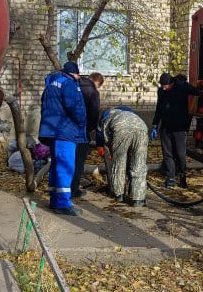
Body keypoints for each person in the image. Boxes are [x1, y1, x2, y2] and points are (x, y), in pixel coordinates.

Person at [38, 61, 87, 216]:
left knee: (56, 165)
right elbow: (75, 107)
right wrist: (81, 123)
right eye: (78, 75)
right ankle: (63, 204)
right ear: (74, 73)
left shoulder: (51, 85)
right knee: (66, 166)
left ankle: (55, 199)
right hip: (65, 131)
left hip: (52, 130)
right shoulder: (69, 83)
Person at [150, 72, 201, 188]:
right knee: (167, 153)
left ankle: (183, 177)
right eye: (162, 86)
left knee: (180, 154)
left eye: (165, 86)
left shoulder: (182, 86)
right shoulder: (162, 91)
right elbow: (159, 108)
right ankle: (170, 178)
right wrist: (154, 125)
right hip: (166, 127)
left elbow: (197, 92)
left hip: (179, 127)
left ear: (171, 83)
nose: (164, 88)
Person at [97, 107, 148, 206]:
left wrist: (110, 151)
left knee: (119, 163)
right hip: (142, 127)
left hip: (121, 128)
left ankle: (118, 194)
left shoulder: (106, 117)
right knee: (139, 164)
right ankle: (138, 199)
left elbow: (104, 138)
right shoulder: (130, 112)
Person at [71, 72, 104, 199]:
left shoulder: (73, 85)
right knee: (78, 160)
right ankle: (74, 189)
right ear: (97, 82)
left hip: (67, 129)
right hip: (82, 130)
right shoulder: (93, 92)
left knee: (67, 158)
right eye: (98, 86)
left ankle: (62, 187)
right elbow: (94, 113)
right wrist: (90, 129)